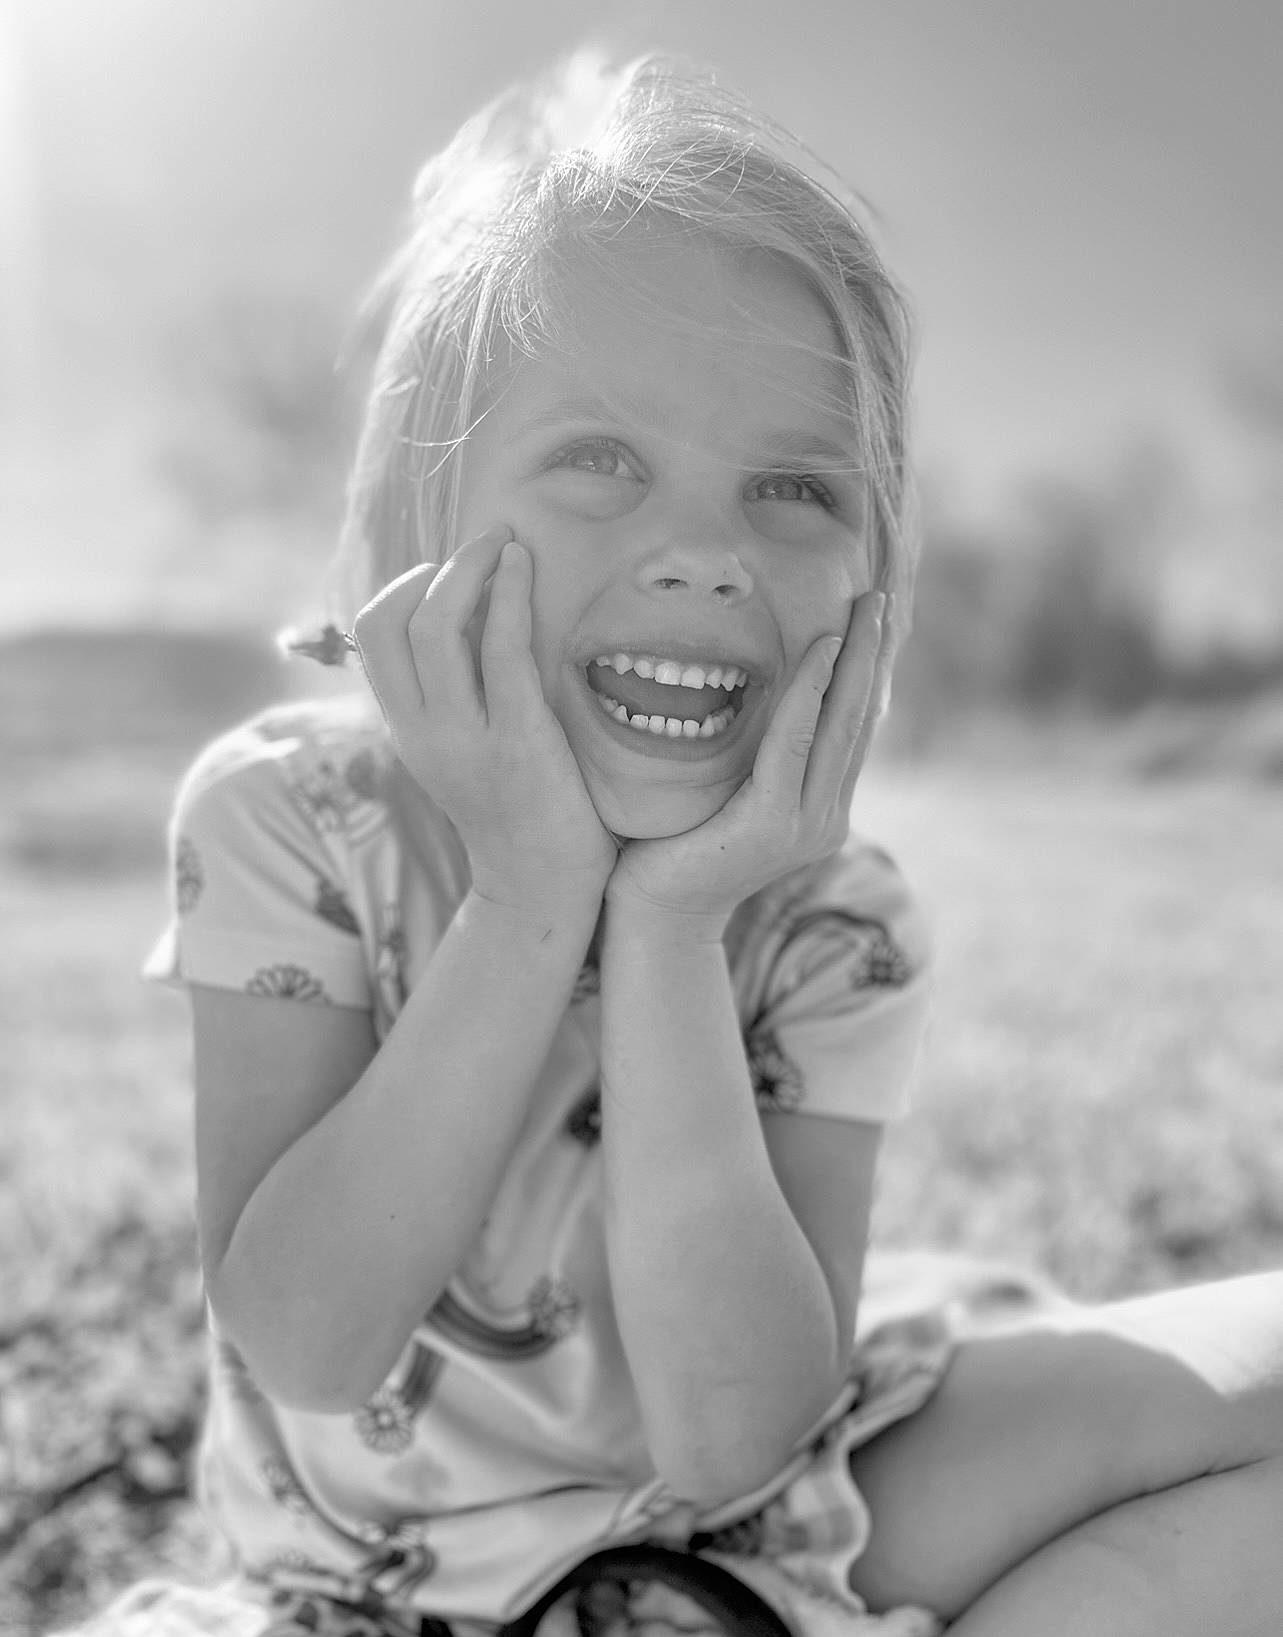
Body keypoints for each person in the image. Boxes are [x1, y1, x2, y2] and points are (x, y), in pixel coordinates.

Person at [98, 51, 1283, 1637]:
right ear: (422, 527)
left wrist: (667, 931)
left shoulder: (832, 916)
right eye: (599, 459)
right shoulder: (295, 821)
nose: (709, 555)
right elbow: (307, 1338)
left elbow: (740, 1430)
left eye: (796, 486)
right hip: (365, 1598)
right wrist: (529, 900)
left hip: (760, 1533)